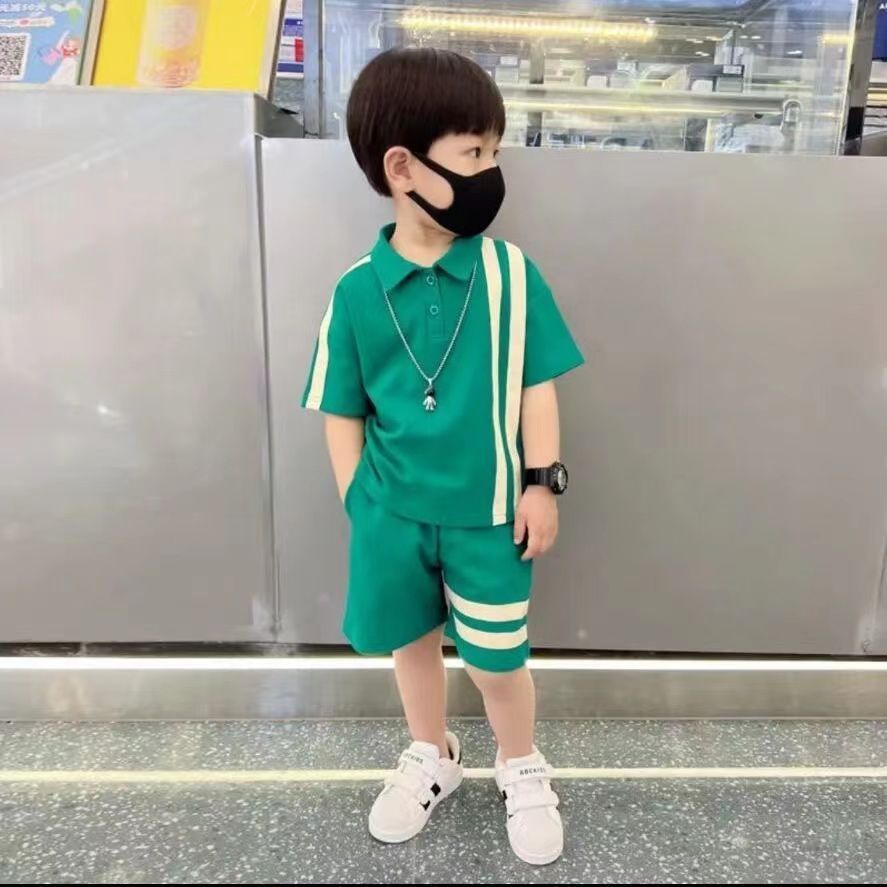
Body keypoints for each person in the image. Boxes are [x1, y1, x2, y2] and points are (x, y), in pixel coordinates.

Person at [302, 47, 583, 866]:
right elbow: (340, 408)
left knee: (498, 658)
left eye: (494, 151)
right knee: (411, 644)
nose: (491, 171)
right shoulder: (357, 290)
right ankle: (431, 754)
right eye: (473, 152)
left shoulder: (510, 274)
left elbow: (536, 386)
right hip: (393, 516)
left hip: (489, 517)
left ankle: (519, 763)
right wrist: (361, 502)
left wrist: (541, 483)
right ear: (403, 167)